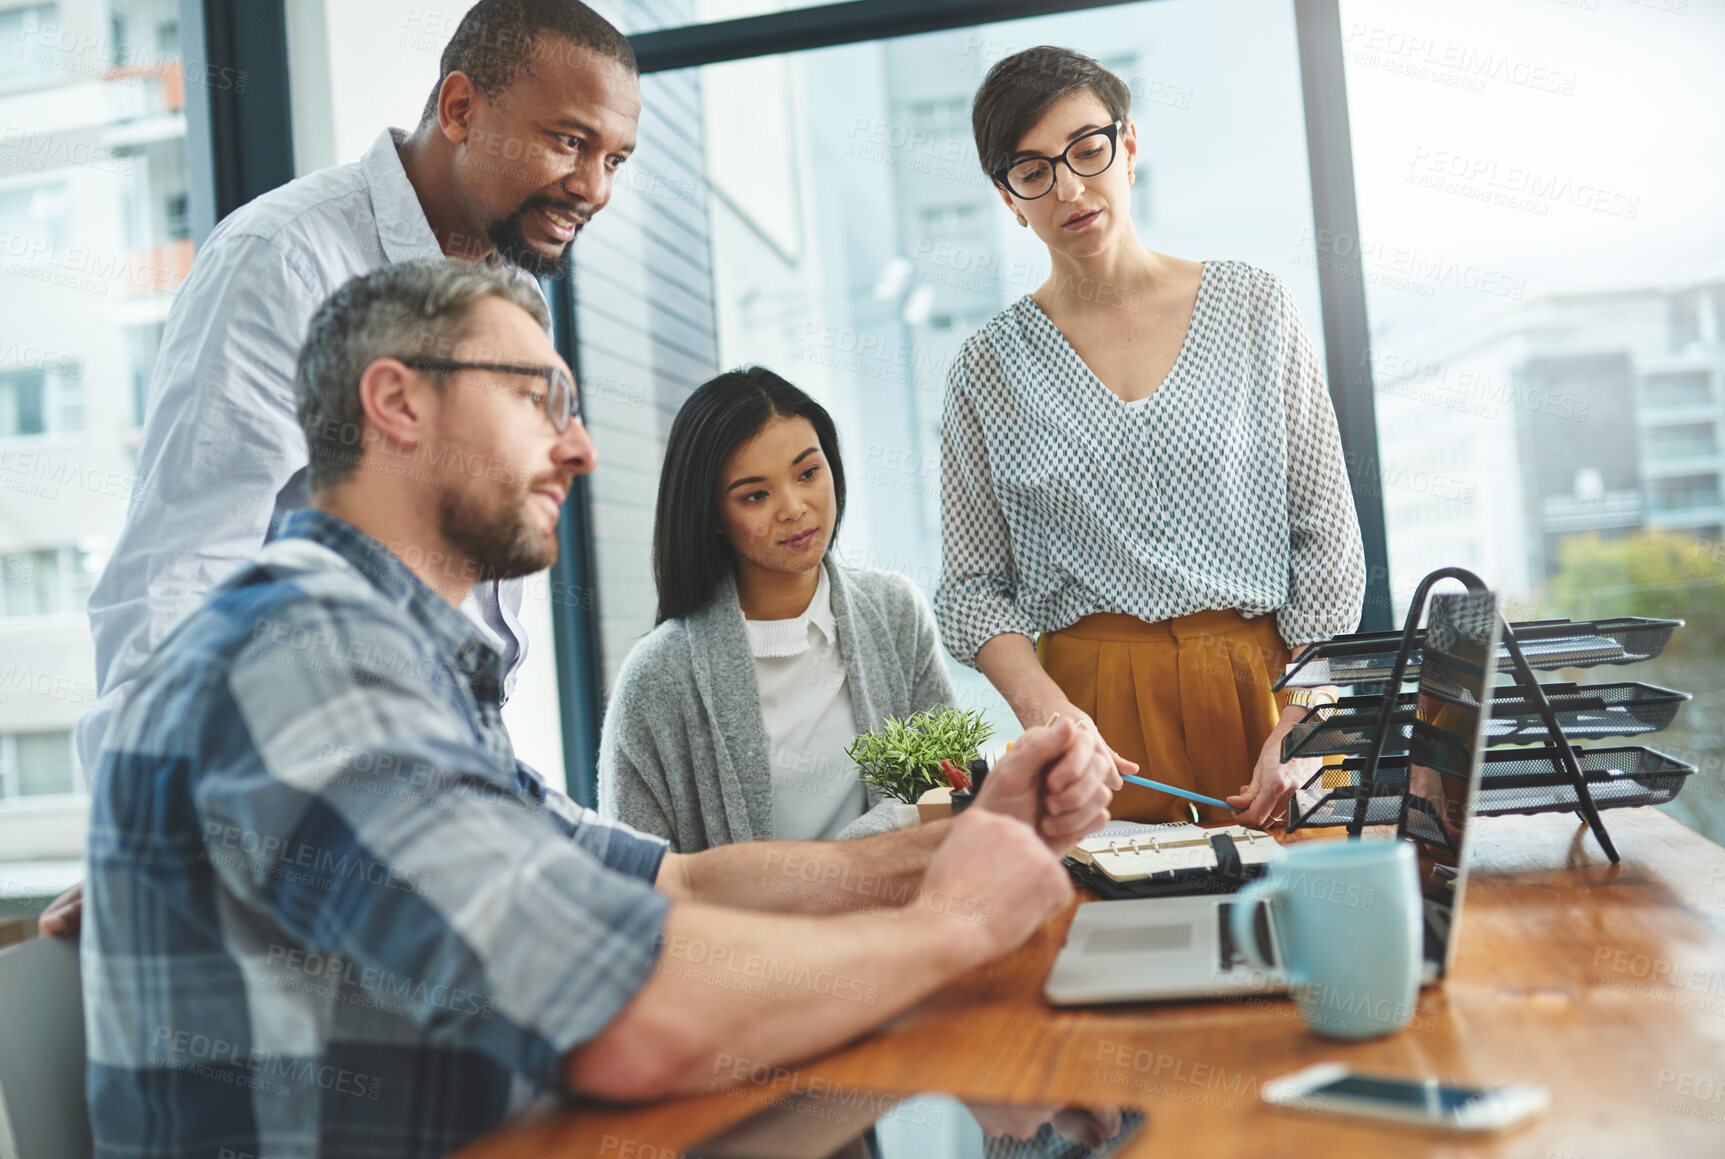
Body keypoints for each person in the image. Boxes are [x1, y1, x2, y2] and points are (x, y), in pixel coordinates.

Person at [82, 260, 1116, 1158]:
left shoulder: (402, 664)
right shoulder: (306, 655)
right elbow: (631, 1015)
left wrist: (976, 833)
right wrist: (950, 930)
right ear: (397, 404)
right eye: (538, 399)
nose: (578, 449)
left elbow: (681, 881)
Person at [50, 0, 639, 937]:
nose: (594, 187)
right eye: (569, 141)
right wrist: (157, 828)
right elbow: (175, 577)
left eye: (614, 159)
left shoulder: (514, 286)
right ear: (458, 107)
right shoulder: (282, 256)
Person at [936, 46, 1365, 829]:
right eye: (1032, 171)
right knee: (1119, 933)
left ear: (1127, 146)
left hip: (1268, 696)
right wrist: (1046, 711)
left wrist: (1307, 713)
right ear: (1007, 198)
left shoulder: (1252, 307)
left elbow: (1326, 540)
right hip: (1089, 724)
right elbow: (969, 590)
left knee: (1294, 927)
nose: (1068, 186)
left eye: (1086, 150)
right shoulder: (986, 368)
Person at [600, 367, 959, 850]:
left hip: (899, 916)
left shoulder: (895, 614)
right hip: (747, 929)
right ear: (712, 518)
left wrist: (847, 864)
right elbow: (638, 887)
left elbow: (948, 789)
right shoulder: (658, 677)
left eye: (808, 472)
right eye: (755, 495)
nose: (793, 508)